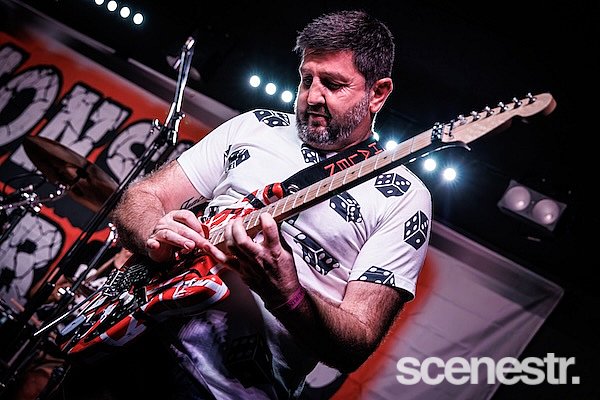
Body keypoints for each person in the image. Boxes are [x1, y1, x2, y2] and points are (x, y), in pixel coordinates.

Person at [57, 9, 432, 399]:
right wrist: (157, 230)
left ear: (378, 93)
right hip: (127, 339)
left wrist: (286, 292)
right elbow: (140, 198)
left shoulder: (405, 197)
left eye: (334, 84)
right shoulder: (256, 125)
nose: (312, 97)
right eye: (307, 79)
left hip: (219, 390)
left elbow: (356, 342)